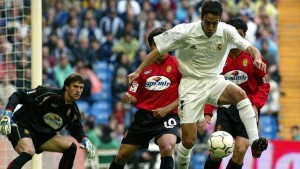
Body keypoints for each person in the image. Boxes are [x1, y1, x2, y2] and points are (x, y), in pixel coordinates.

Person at [127, 1, 269, 168]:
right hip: (190, 85)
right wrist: (138, 71)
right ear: (201, 18)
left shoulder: (227, 31)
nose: (210, 27)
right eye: (207, 22)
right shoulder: (185, 31)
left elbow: (251, 48)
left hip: (214, 80)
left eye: (214, 23)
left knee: (240, 95)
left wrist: (257, 58)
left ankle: (255, 141)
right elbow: (158, 50)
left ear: (220, 19)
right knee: (188, 141)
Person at [202, 17, 270, 169]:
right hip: (225, 109)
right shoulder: (218, 57)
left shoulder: (254, 57)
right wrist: (207, 112)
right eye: (233, 35)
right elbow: (209, 85)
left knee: (240, 149)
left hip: (247, 110)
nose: (236, 39)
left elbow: (264, 86)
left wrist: (256, 105)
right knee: (217, 150)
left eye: (240, 35)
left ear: (244, 36)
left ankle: (254, 145)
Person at [109, 27, 182, 169]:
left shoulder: (177, 65)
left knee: (167, 147)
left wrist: (166, 109)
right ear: (151, 47)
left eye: (164, 44)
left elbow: (187, 94)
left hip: (167, 116)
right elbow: (135, 96)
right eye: (156, 46)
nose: (161, 49)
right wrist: (129, 97)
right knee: (121, 156)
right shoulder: (142, 68)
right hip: (143, 118)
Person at [0, 73, 95, 169]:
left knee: (71, 148)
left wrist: (85, 139)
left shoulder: (73, 111)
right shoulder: (47, 94)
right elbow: (19, 94)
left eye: (81, 87)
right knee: (28, 151)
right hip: (21, 125)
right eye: (75, 86)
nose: (78, 90)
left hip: (42, 135)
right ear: (67, 86)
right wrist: (7, 113)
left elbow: (77, 129)